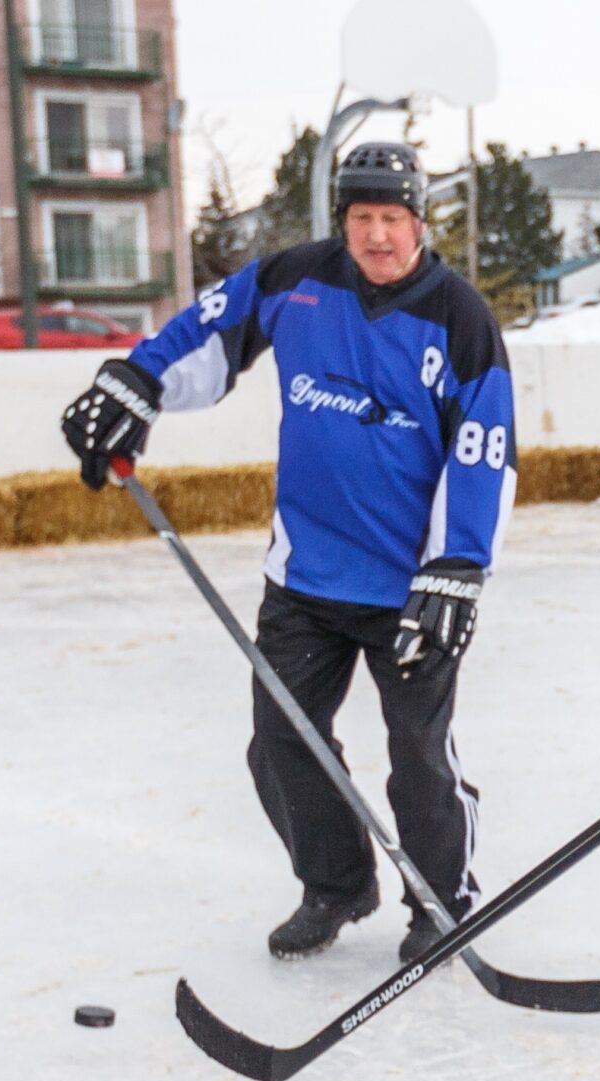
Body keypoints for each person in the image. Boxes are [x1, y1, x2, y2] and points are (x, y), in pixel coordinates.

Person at [61, 141, 515, 961]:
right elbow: (209, 328)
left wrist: (460, 565)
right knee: (281, 740)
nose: (377, 236)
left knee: (418, 755)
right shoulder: (298, 280)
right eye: (361, 218)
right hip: (304, 577)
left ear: (419, 221)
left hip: (408, 591)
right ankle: (336, 886)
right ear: (341, 220)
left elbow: (484, 450)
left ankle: (443, 901)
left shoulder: (459, 317)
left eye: (392, 219)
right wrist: (135, 382)